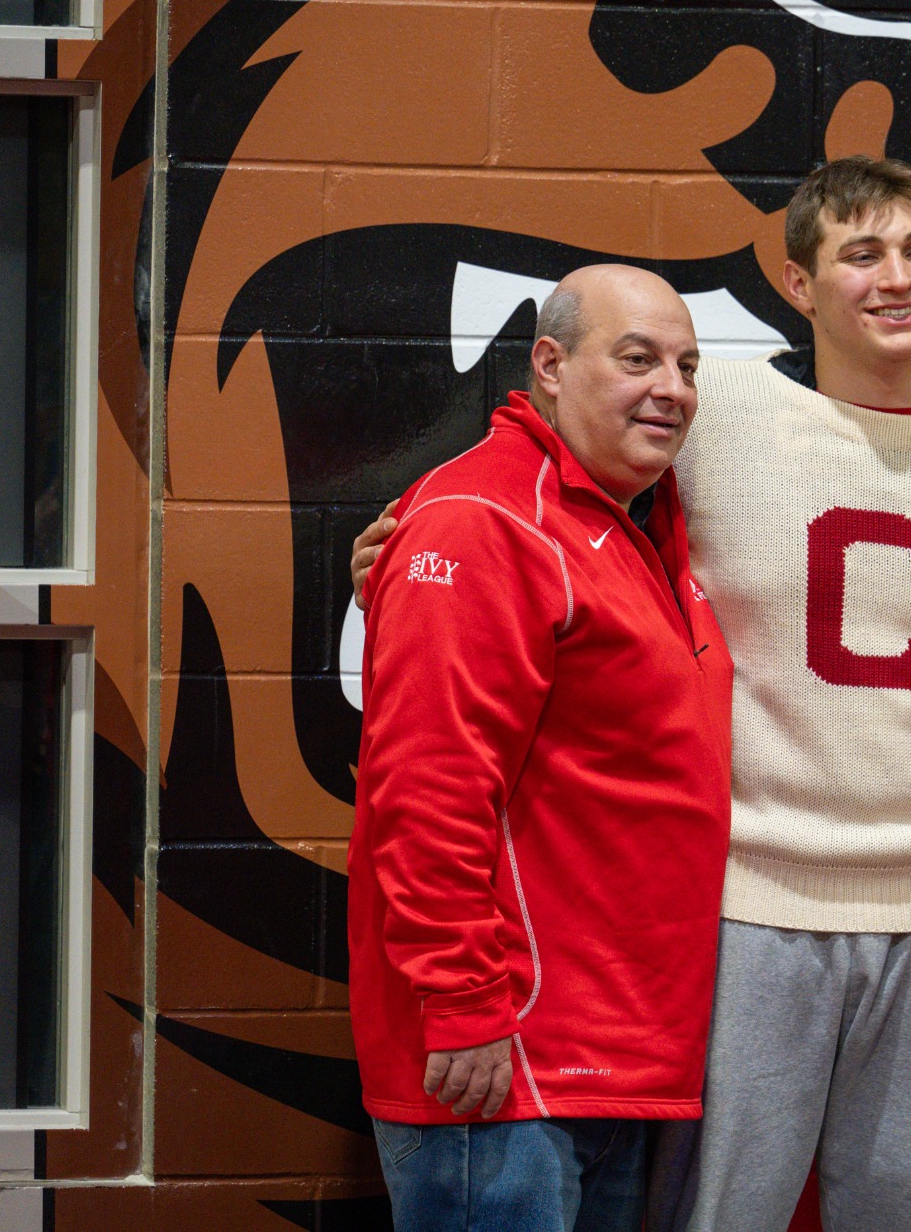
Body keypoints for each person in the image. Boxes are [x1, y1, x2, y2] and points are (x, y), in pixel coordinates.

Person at [355, 156, 911, 1231]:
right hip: (745, 904)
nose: (896, 277)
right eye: (862, 252)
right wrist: (403, 551)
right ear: (797, 282)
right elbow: (517, 512)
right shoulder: (706, 416)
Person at [347, 265, 733, 1231]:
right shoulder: (485, 519)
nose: (672, 388)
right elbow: (426, 787)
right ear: (550, 366)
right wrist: (464, 1001)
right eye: (637, 359)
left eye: (687, 366)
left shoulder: (635, 520)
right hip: (502, 1068)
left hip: (611, 1062)